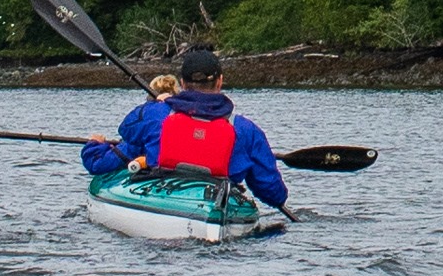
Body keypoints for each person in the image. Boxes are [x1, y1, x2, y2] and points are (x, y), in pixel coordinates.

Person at [80, 48, 289, 210]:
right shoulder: (246, 130)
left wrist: (158, 105)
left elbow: (126, 129)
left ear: (182, 82)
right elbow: (273, 193)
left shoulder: (156, 114)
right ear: (220, 81)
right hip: (216, 202)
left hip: (161, 198)